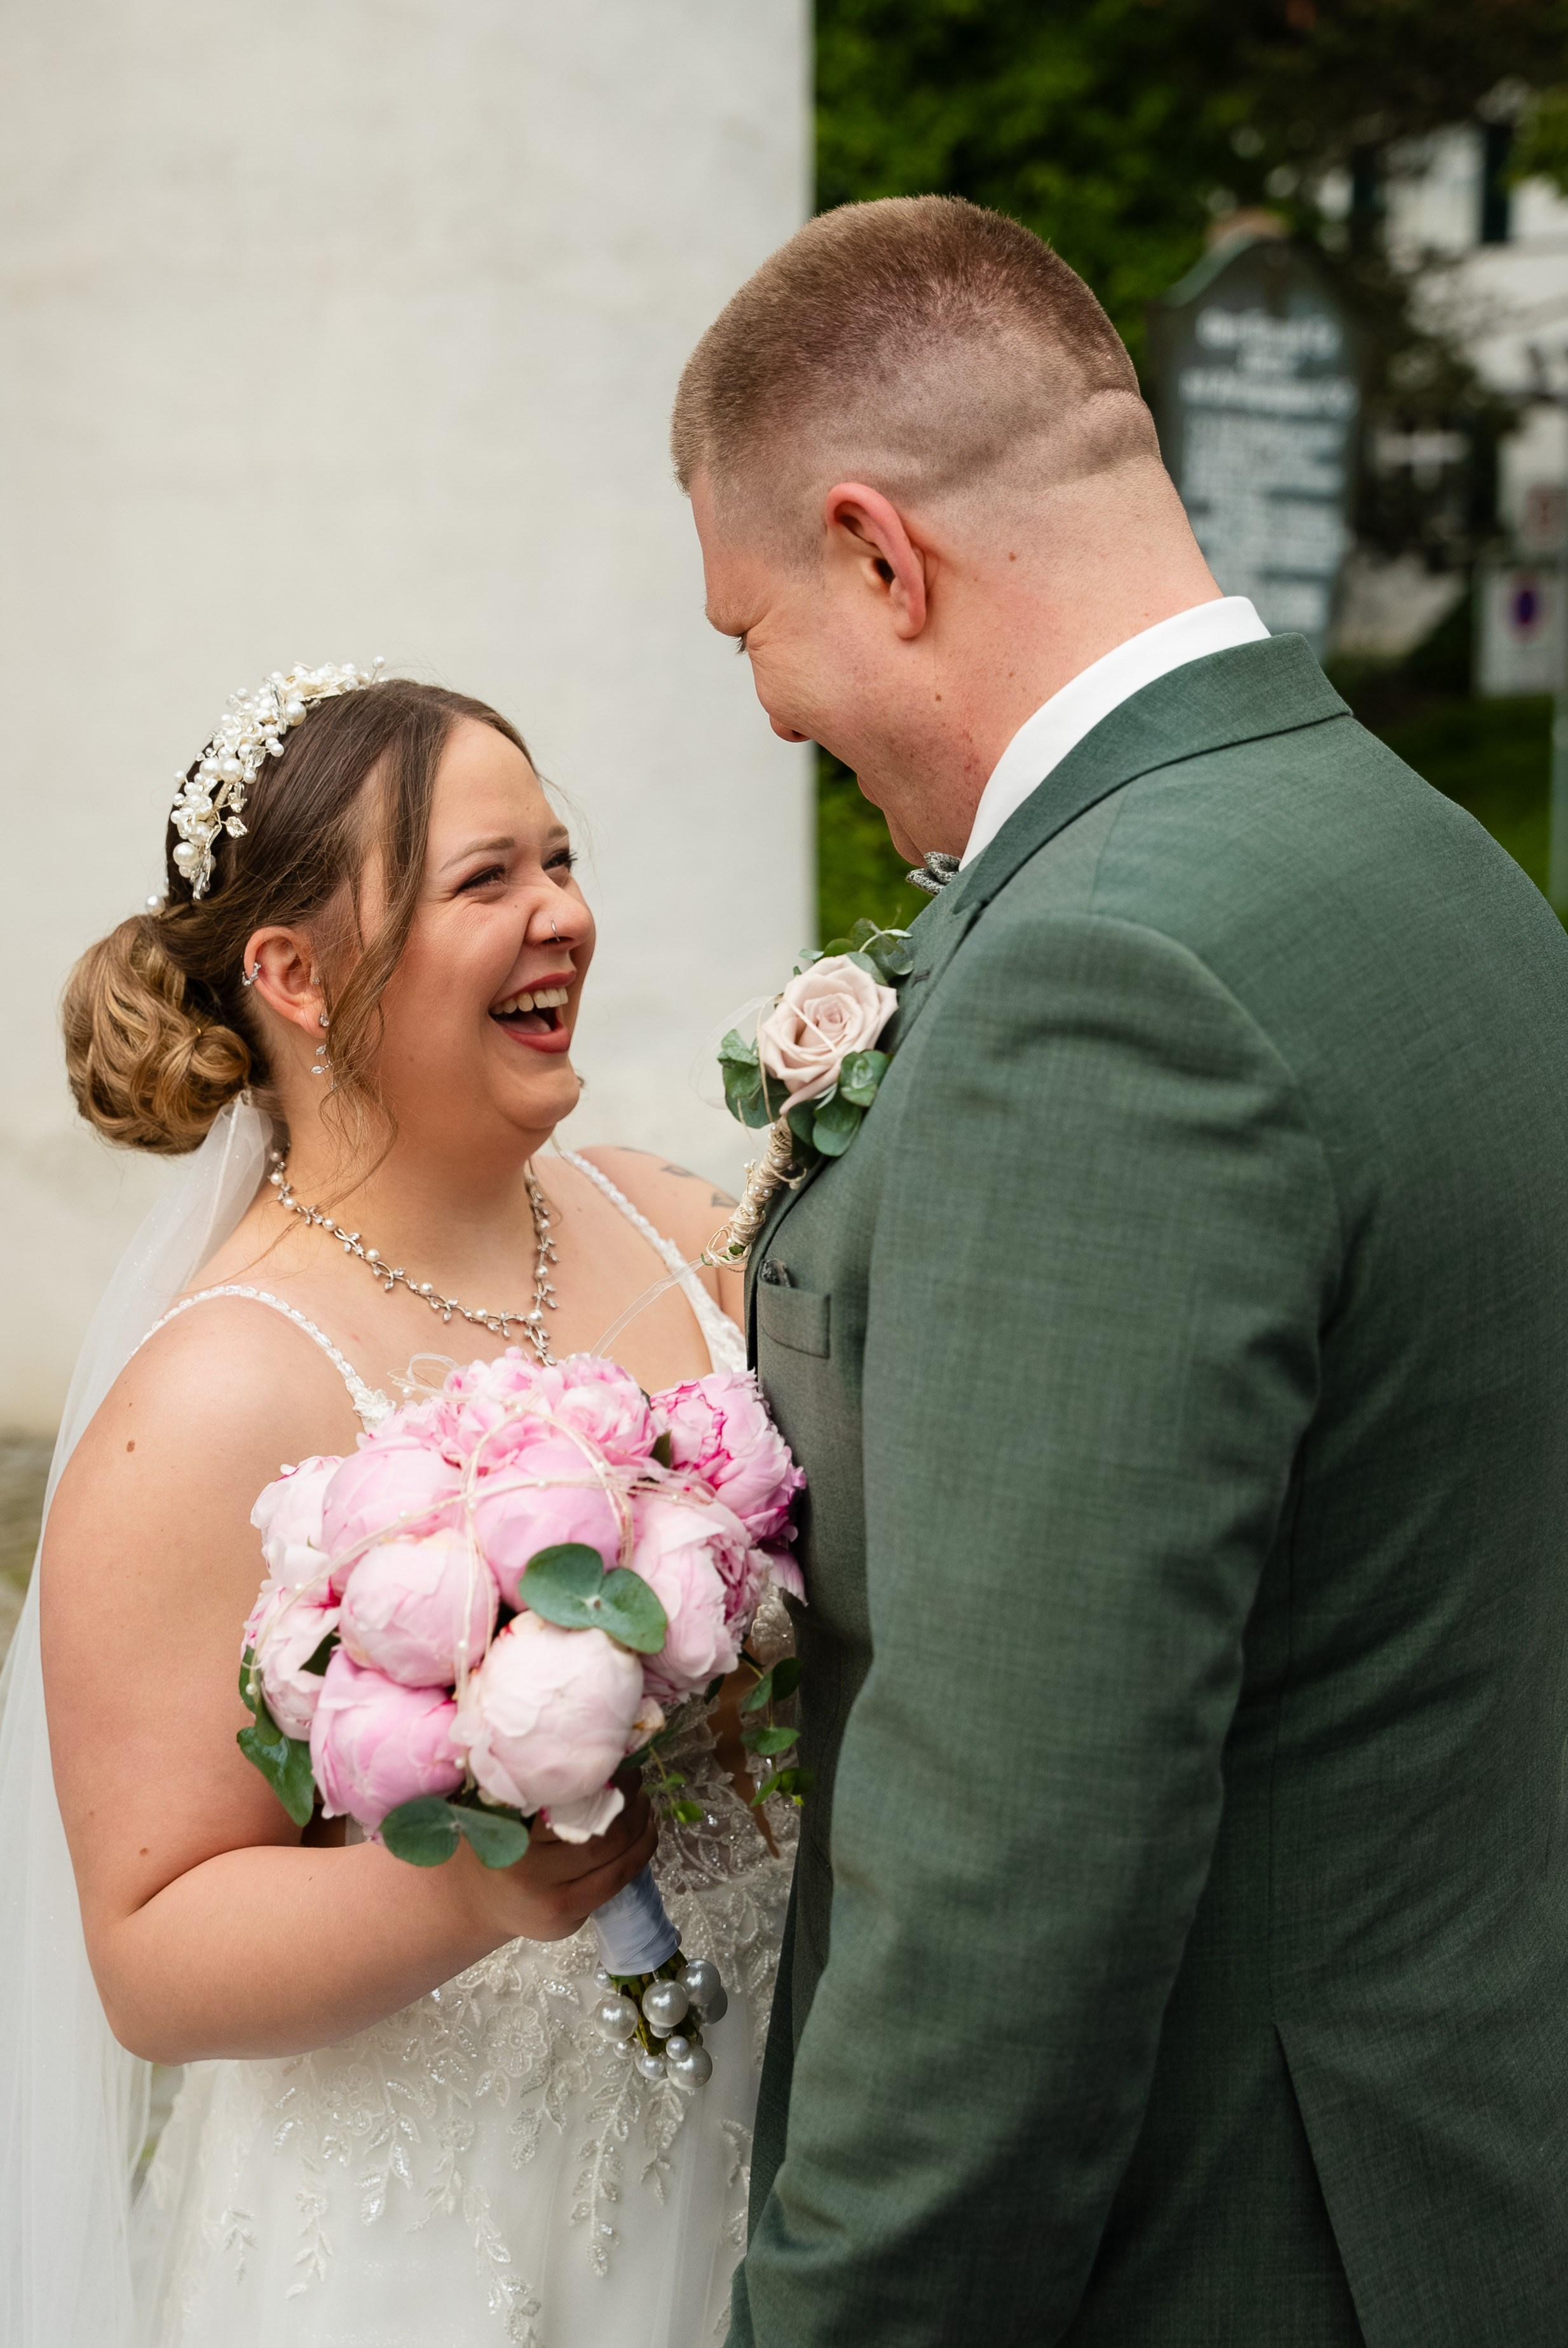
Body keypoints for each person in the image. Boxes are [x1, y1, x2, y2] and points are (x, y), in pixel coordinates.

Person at [672, 195, 1568, 2345]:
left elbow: (1015, 1878)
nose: (784, 720)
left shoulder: (1104, 983)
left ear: (882, 555)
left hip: (1223, 2247)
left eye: (754, 637)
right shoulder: (1411, 851)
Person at [0, 669, 794, 2347]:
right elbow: (150, 1954)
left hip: (769, 2159)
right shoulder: (211, 1393)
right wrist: (466, 1886)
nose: (561, 916)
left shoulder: (679, 1227)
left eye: (560, 862)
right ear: (292, 974)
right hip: (427, 2231)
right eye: (484, 881)